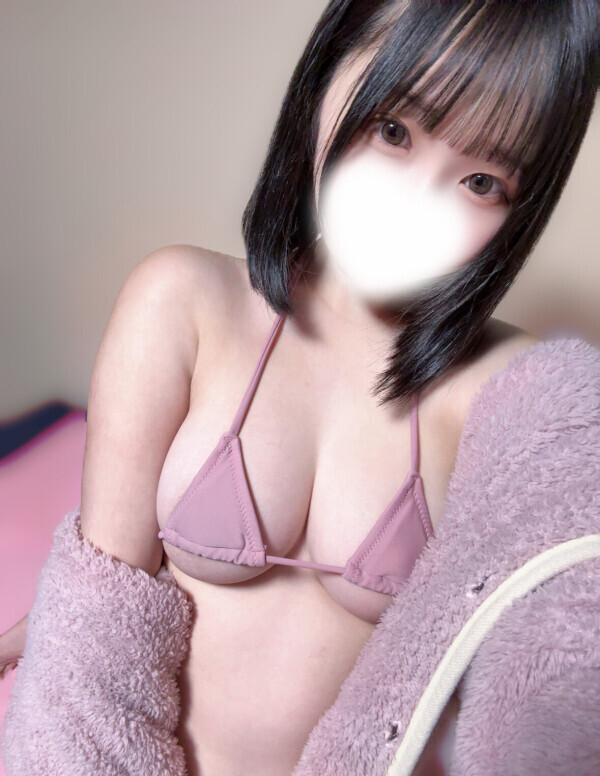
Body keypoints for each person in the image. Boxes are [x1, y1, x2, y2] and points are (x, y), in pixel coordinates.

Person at [1, 2, 598, 775]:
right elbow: (94, 639)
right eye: (393, 131)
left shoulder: (509, 400)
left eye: (482, 181)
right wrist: (43, 634)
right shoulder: (184, 303)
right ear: (324, 76)